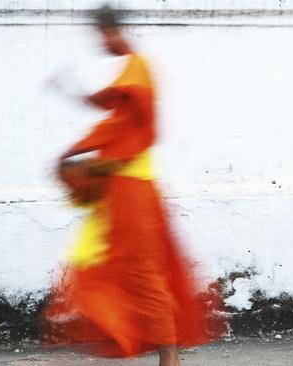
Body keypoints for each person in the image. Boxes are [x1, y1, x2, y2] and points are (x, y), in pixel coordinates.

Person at [43, 5, 217, 366]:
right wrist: (79, 104)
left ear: (112, 31)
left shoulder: (138, 69)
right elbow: (113, 111)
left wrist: (87, 155)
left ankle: (169, 357)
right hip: (122, 191)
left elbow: (130, 124)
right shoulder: (132, 72)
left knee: (141, 273)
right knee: (124, 271)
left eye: (102, 35)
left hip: (133, 190)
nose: (102, 43)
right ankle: (153, 350)